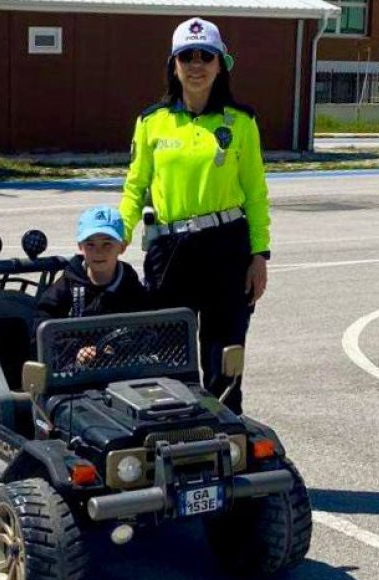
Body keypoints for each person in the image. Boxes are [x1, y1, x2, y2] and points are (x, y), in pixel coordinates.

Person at [118, 17, 271, 415]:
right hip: (169, 250)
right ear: (173, 64)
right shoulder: (152, 121)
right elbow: (136, 186)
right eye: (187, 56)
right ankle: (180, 437)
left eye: (207, 56)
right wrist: (120, 232)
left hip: (227, 247)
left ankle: (227, 435)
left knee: (224, 351)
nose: (197, 64)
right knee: (170, 349)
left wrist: (260, 255)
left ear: (222, 64)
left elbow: (255, 193)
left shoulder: (241, 122)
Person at [35, 206, 148, 366]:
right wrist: (76, 350)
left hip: (122, 367)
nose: (98, 252)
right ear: (80, 247)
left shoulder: (130, 286)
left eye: (107, 244)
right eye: (90, 244)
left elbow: (145, 329)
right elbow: (42, 324)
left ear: (122, 247)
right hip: (74, 370)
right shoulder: (68, 282)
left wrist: (116, 348)